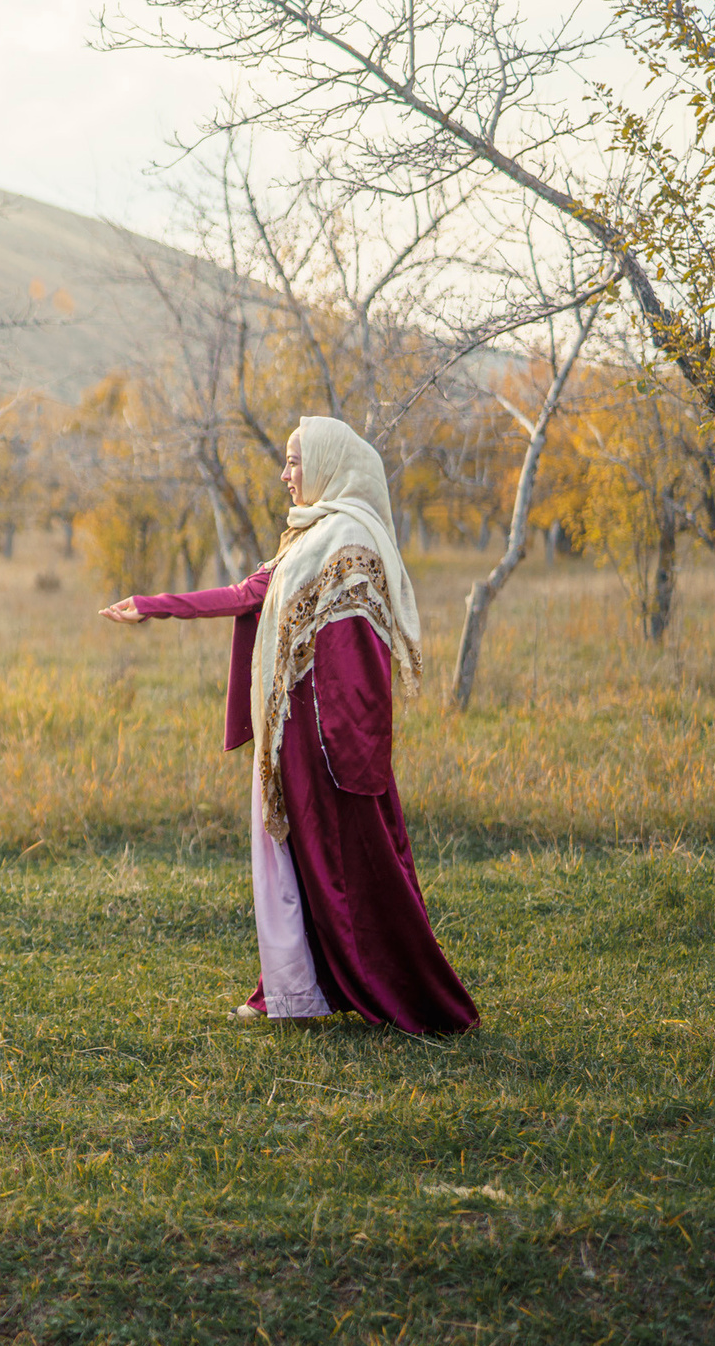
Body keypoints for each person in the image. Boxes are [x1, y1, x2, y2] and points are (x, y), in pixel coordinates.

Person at [97, 416, 478, 1034]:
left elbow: (359, 654)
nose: (284, 474)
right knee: (296, 860)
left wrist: (347, 746)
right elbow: (247, 594)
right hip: (292, 729)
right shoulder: (310, 536)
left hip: (329, 738)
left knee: (348, 859)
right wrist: (153, 606)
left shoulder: (349, 539)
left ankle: (403, 991)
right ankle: (291, 989)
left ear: (326, 464)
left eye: (294, 461)